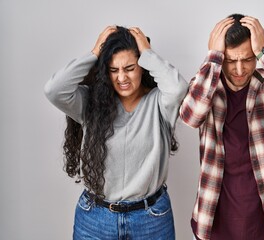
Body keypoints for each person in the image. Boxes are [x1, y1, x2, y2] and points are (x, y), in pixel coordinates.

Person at [180, 14, 264, 240]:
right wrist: (212, 59)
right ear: (221, 57)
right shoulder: (207, 84)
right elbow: (191, 117)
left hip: (262, 219)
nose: (240, 69)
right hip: (213, 219)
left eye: (247, 59)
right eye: (231, 61)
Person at [44, 25, 188, 239]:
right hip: (95, 218)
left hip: (151, 219)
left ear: (142, 66)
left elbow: (178, 88)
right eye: (113, 70)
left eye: (129, 68)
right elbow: (54, 90)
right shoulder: (91, 102)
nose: (122, 78)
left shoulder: (160, 103)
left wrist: (147, 52)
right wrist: (95, 53)